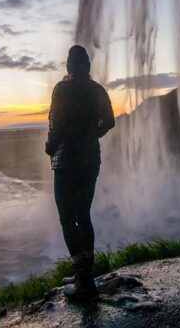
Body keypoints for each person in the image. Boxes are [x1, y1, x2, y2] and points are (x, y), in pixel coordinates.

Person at [45, 45, 115, 301]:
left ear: (69, 65)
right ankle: (86, 275)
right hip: (90, 160)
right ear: (87, 65)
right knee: (83, 215)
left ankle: (83, 280)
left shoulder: (62, 89)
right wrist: (91, 135)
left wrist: (50, 147)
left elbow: (56, 124)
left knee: (66, 218)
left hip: (66, 162)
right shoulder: (97, 89)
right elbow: (110, 121)